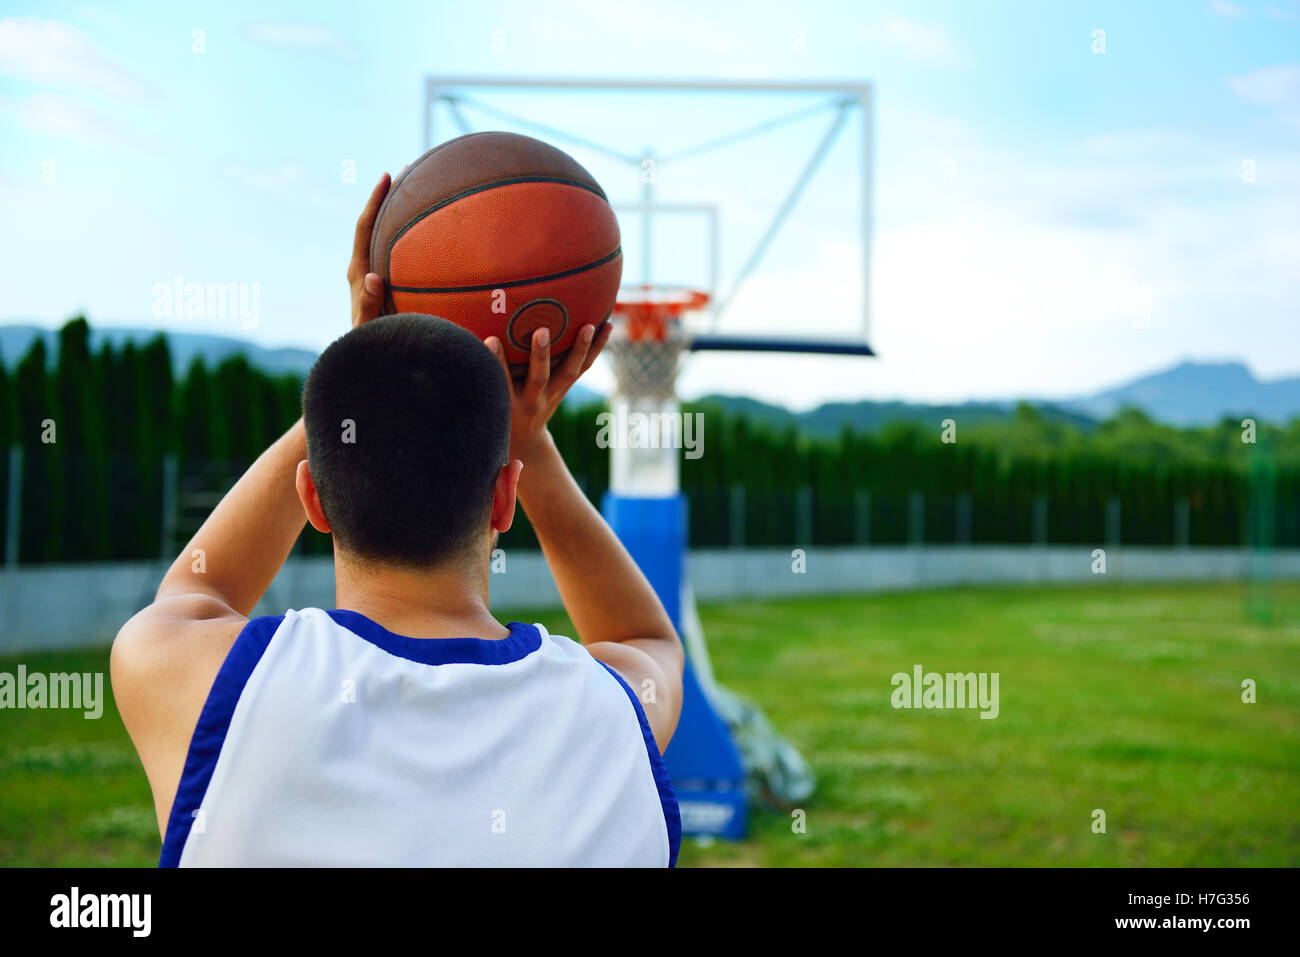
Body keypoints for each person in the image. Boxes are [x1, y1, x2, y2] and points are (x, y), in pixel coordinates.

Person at [111, 174, 684, 866]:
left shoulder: (214, 690)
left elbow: (191, 594)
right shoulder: (611, 715)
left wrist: (354, 383)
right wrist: (524, 437)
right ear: (506, 497)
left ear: (313, 497)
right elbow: (646, 635)